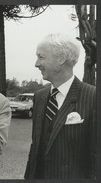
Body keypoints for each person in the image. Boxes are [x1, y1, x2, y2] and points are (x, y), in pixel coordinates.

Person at [24, 33, 96, 179]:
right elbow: (35, 146)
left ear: (61, 59)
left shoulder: (93, 97)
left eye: (41, 57)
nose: (36, 64)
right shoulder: (40, 96)